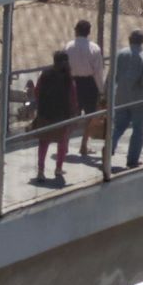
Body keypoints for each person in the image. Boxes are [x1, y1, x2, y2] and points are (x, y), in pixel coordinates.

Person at [107, 29, 143, 170]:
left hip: (120, 95)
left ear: (129, 40)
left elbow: (111, 76)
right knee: (138, 129)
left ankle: (109, 148)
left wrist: (106, 93)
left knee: (119, 126)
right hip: (137, 98)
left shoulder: (120, 54)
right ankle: (132, 160)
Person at [33, 48, 77, 183]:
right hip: (62, 115)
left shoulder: (45, 74)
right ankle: (58, 168)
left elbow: (37, 91)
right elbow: (73, 97)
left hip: (45, 113)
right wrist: (74, 112)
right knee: (62, 142)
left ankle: (40, 171)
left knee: (43, 142)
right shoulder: (68, 78)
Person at [65, 19, 104, 157]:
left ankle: (64, 144)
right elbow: (98, 71)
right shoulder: (94, 48)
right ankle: (83, 145)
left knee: (72, 114)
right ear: (88, 32)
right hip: (89, 84)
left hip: (74, 83)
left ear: (76, 30)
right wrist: (101, 89)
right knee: (90, 116)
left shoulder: (69, 46)